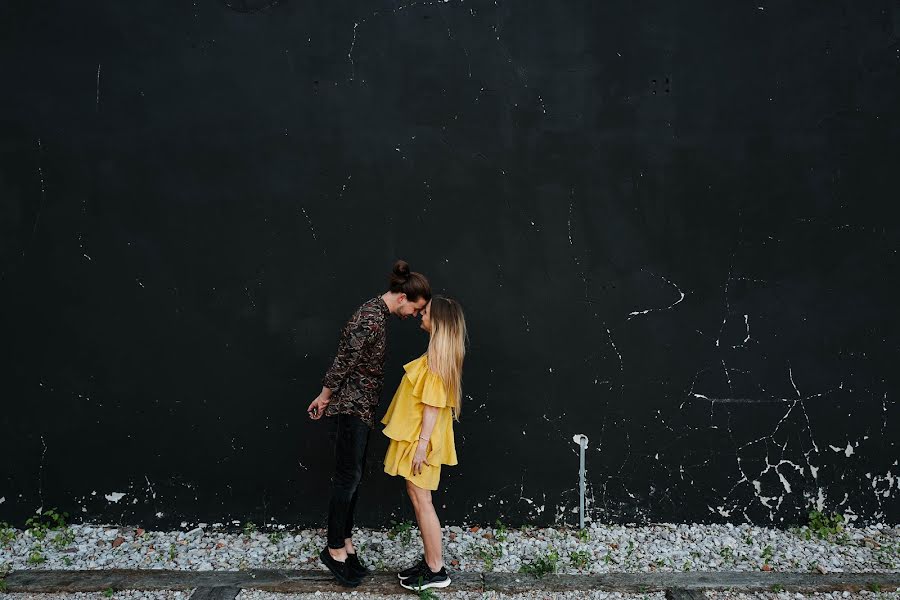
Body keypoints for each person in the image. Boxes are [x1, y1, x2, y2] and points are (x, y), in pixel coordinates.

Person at [307, 260, 431, 587]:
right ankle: (334, 549)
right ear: (403, 297)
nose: (416, 316)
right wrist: (324, 395)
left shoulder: (378, 316)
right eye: (417, 310)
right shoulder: (369, 318)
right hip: (351, 407)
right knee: (347, 477)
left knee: (354, 476)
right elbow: (344, 360)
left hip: (361, 408)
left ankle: (345, 544)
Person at [382, 295, 467, 591]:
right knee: (419, 499)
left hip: (420, 441)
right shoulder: (437, 356)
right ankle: (431, 561)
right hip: (416, 437)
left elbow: (431, 406)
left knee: (423, 501)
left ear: (439, 322)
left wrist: (421, 445)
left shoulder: (436, 362)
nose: (421, 315)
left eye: (427, 312)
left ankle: (436, 569)